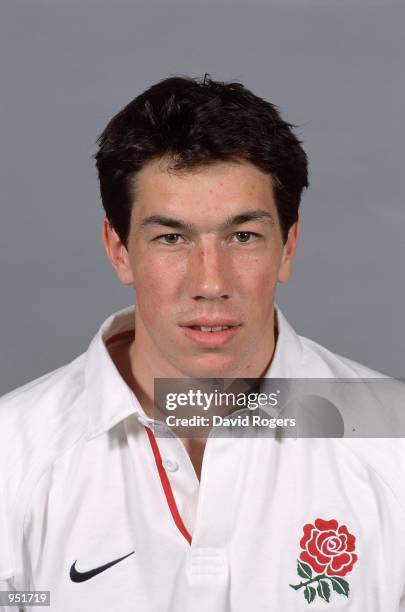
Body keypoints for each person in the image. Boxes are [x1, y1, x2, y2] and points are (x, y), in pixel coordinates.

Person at [0, 75, 404, 611]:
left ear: (288, 247)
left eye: (243, 236)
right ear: (118, 250)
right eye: (172, 238)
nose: (211, 283)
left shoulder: (393, 443)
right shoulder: (13, 454)